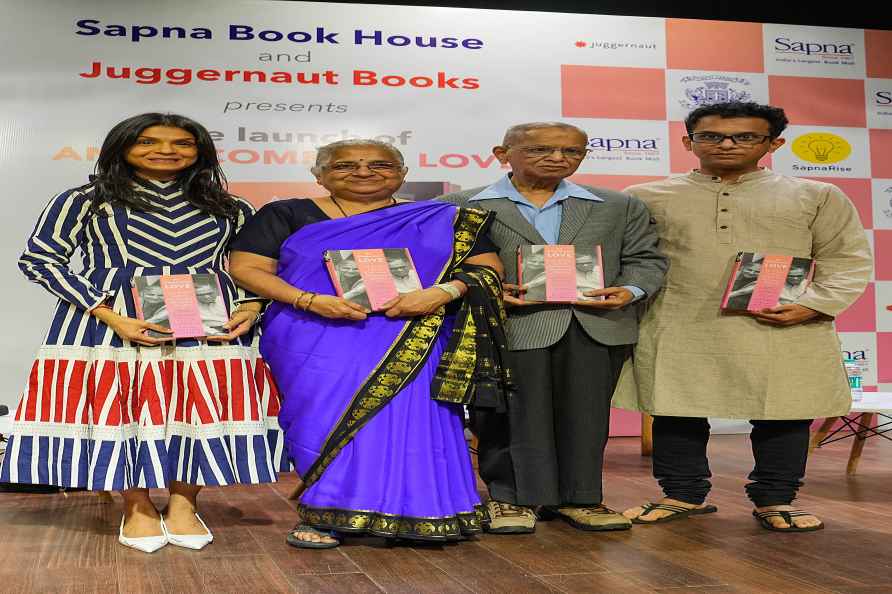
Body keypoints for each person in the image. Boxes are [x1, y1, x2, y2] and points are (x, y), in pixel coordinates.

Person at [0, 113, 285, 553]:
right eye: (149, 141)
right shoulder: (84, 200)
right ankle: (136, 506)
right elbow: (39, 259)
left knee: (200, 411)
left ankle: (184, 504)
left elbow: (251, 268)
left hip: (207, 326)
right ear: (122, 146)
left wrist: (252, 304)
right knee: (123, 410)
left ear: (200, 151)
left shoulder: (231, 206)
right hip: (110, 323)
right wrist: (109, 311)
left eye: (182, 143)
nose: (166, 150)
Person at [229, 139, 510, 549]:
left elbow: (486, 269)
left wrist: (440, 293)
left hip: (414, 332)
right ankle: (325, 512)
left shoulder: (441, 218)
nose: (364, 172)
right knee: (322, 422)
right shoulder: (285, 213)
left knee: (414, 421)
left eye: (380, 164)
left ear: (402, 173)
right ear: (319, 174)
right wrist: (309, 300)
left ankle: (421, 510)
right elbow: (247, 267)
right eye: (346, 165)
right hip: (314, 335)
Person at [616, 102, 872, 532]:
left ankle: (776, 499)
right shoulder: (643, 196)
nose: (727, 144)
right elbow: (630, 259)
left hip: (783, 320)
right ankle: (681, 494)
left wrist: (813, 304)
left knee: (785, 410)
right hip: (677, 320)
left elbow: (846, 259)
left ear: (774, 143)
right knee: (674, 408)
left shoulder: (817, 195)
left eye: (745, 137)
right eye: (712, 136)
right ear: (689, 142)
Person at [440, 122, 667, 533]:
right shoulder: (460, 204)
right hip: (507, 325)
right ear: (502, 152)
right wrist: (486, 289)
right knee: (505, 416)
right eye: (541, 149)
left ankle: (581, 498)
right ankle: (510, 498)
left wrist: (630, 289)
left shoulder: (618, 205)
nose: (559, 158)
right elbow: (441, 265)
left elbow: (646, 259)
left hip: (595, 323)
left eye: (572, 152)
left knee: (587, 416)